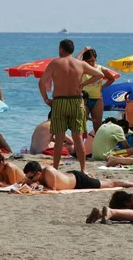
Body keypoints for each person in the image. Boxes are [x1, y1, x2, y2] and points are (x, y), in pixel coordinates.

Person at [39, 39, 103, 172]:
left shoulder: (55, 63)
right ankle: (83, 169)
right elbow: (99, 74)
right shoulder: (80, 64)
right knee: (78, 137)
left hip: (59, 101)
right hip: (77, 101)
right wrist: (83, 85)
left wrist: (46, 99)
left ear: (61, 49)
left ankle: (55, 168)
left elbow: (42, 82)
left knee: (59, 138)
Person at [22, 161, 133, 191]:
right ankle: (88, 174)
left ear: (38, 173)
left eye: (32, 177)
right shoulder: (38, 175)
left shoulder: (49, 171)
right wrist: (34, 183)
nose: (30, 179)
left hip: (79, 181)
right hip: (71, 176)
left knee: (110, 183)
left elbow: (52, 190)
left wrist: (37, 186)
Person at [77, 47, 115, 132]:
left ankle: (97, 144)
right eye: (88, 61)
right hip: (84, 99)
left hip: (97, 99)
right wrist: (83, 50)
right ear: (84, 61)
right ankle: (81, 144)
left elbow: (111, 79)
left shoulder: (100, 69)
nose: (91, 63)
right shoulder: (82, 69)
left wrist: (102, 87)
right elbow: (76, 60)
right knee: (81, 125)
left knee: (97, 126)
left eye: (93, 60)